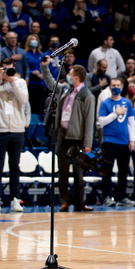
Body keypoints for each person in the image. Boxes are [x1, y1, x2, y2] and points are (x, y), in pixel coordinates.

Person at [41, 56, 95, 212]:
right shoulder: (65, 89)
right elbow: (51, 83)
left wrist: (87, 144)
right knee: (63, 169)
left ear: (76, 78)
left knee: (78, 173)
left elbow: (89, 121)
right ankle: (64, 201)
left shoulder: (87, 95)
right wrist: (45, 67)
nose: (68, 76)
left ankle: (80, 202)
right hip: (62, 134)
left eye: (70, 74)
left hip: (77, 138)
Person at [0, 59, 29, 213]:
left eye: (10, 69)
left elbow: (24, 100)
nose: (7, 73)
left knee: (15, 167)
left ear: (14, 68)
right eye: (5, 70)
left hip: (17, 130)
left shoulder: (20, 82)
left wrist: (12, 82)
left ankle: (15, 199)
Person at [98, 78, 135, 207]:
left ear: (122, 87)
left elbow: (131, 122)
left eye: (118, 85)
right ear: (109, 87)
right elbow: (101, 122)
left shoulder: (127, 103)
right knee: (107, 170)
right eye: (113, 85)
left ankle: (122, 197)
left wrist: (132, 140)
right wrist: (115, 114)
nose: (115, 87)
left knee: (123, 171)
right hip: (109, 141)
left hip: (124, 142)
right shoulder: (105, 103)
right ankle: (107, 197)